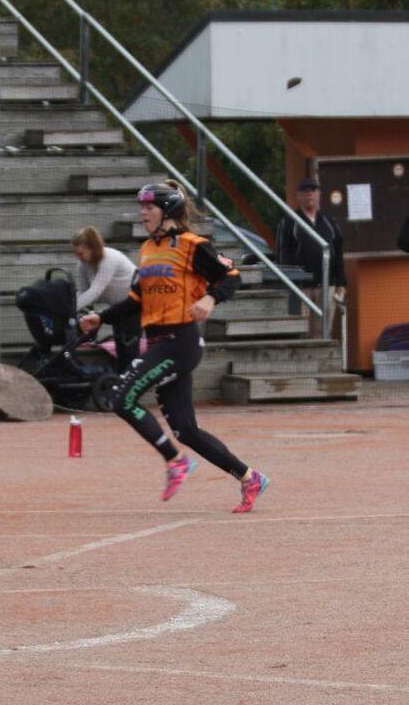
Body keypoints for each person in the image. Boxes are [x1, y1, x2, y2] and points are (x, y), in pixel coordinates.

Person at [79, 181, 269, 514]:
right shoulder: (148, 249)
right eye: (141, 207)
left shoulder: (194, 245)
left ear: (166, 211)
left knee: (122, 398)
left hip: (180, 341)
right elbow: (136, 299)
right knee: (186, 430)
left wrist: (210, 299)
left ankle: (175, 461)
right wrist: (101, 318)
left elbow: (231, 275)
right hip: (158, 341)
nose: (143, 213)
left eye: (149, 207)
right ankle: (249, 477)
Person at [274, 176, 345, 339]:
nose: (309, 194)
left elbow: (338, 252)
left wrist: (341, 283)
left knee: (323, 332)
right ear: (298, 196)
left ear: (319, 194)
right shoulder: (288, 222)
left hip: (327, 286)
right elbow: (282, 254)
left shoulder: (330, 222)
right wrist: (290, 285)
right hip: (298, 288)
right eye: (305, 191)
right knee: (298, 332)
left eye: (313, 190)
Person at [70, 225, 139, 372]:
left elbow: (95, 291)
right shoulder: (82, 263)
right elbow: (82, 291)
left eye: (81, 253)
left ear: (92, 248)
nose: (79, 257)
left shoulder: (109, 259)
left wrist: (70, 310)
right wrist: (72, 308)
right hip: (117, 307)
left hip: (132, 305)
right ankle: (121, 377)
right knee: (120, 345)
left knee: (129, 347)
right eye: (76, 254)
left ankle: (130, 377)